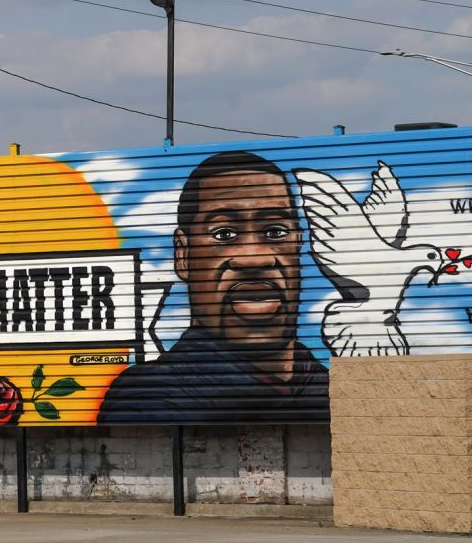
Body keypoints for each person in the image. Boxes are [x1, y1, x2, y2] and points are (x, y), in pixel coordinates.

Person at [99, 150, 329, 424]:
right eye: (224, 234)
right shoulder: (149, 398)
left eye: (275, 231)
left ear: (299, 244)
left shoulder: (326, 386)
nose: (254, 258)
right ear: (182, 255)